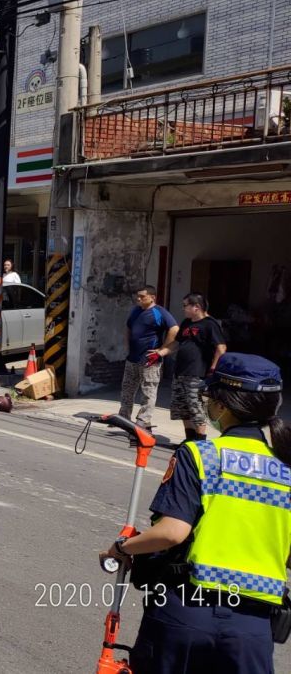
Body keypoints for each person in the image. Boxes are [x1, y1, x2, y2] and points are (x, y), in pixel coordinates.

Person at [100, 353, 291, 674]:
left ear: (222, 406)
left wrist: (121, 548)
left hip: (187, 614)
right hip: (252, 628)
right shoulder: (285, 468)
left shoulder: (201, 456)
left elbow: (172, 532)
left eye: (210, 398)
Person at [170, 293, 227, 442]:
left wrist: (213, 369)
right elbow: (176, 343)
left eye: (185, 305)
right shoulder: (186, 323)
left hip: (196, 372)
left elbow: (221, 348)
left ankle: (200, 441)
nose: (183, 308)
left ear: (196, 307)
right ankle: (189, 440)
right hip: (180, 371)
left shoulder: (210, 324)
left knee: (195, 407)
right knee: (182, 408)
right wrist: (160, 352)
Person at [120, 285, 179, 430]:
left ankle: (143, 420)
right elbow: (128, 327)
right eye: (138, 296)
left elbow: (174, 329)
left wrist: (162, 349)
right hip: (132, 359)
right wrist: (127, 345)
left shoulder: (159, 312)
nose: (138, 299)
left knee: (148, 391)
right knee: (127, 389)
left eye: (142, 296)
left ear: (152, 297)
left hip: (149, 360)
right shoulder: (136, 311)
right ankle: (123, 417)